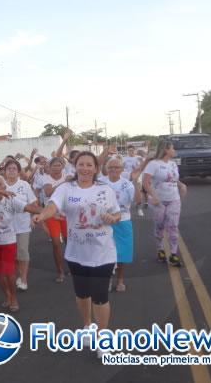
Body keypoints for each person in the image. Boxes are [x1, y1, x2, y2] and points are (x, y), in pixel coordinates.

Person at [33, 151, 121, 359]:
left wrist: (112, 217)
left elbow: (117, 214)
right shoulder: (66, 188)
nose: (85, 168)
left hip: (103, 252)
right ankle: (87, 327)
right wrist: (41, 216)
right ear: (75, 166)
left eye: (89, 165)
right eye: (81, 164)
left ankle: (103, 340)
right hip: (76, 253)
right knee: (82, 294)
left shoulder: (105, 189)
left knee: (100, 297)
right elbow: (52, 206)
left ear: (96, 168)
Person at [0, 175, 42, 312]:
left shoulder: (11, 199)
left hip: (8, 242)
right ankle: (7, 295)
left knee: (9, 273)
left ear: (5, 187)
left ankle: (14, 297)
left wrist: (48, 211)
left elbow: (29, 207)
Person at [143, 140, 187, 267]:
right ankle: (160, 249)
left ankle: (173, 254)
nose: (174, 151)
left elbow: (174, 179)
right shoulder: (153, 164)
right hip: (158, 201)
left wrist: (181, 185)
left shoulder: (173, 164)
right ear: (166, 150)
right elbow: (145, 183)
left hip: (174, 199)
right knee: (160, 226)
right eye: (172, 148)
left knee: (173, 226)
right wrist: (154, 196)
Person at [99, 157, 139, 291]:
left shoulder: (127, 184)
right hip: (104, 221)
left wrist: (137, 183)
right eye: (111, 167)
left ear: (122, 169)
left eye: (117, 167)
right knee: (105, 252)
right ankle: (108, 278)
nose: (113, 170)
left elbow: (137, 201)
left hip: (123, 220)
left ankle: (120, 280)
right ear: (106, 169)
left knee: (122, 253)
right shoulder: (100, 182)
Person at [1, 158, 38, 292]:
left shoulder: (24, 185)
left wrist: (34, 216)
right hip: (5, 227)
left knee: (22, 251)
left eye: (14, 169)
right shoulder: (0, 185)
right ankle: (19, 273)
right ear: (4, 171)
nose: (11, 171)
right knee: (13, 254)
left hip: (22, 225)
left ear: (18, 172)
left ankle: (23, 278)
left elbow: (33, 202)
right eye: (9, 169)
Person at [42, 157, 71, 283]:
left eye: (59, 165)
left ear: (62, 166)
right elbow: (48, 192)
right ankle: (60, 271)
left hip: (66, 214)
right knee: (55, 243)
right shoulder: (46, 178)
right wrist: (64, 183)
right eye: (54, 165)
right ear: (50, 166)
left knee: (69, 242)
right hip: (52, 214)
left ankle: (72, 267)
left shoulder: (68, 176)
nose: (56, 167)